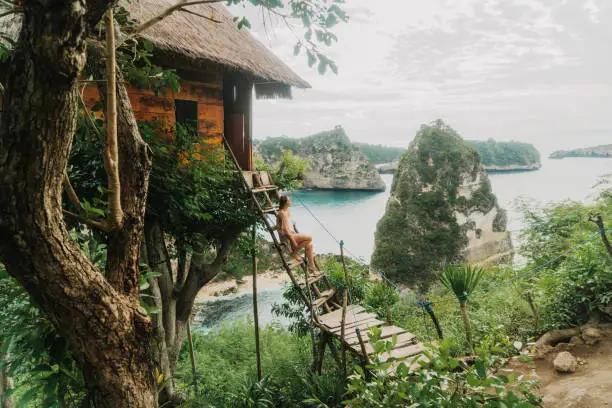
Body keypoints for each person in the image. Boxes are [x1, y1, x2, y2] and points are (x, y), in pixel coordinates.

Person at [276, 195, 318, 273]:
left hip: (292, 234)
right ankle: (294, 253)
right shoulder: (282, 213)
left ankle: (312, 267)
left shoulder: (287, 211)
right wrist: (293, 241)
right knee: (309, 238)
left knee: (310, 245)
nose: (290, 202)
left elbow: (290, 225)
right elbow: (285, 230)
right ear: (285, 203)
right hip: (287, 237)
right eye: (289, 201)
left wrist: (294, 226)